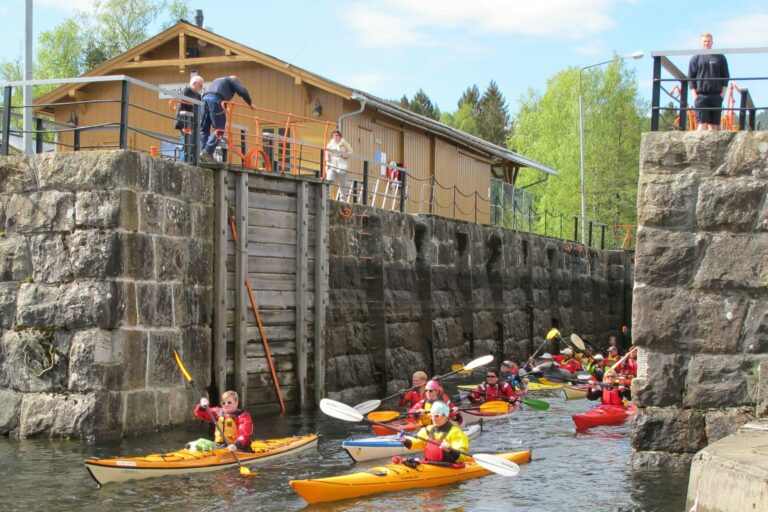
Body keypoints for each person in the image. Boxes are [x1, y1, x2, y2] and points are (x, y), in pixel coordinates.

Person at [200, 75, 256, 163]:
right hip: (215, 101)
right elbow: (242, 91)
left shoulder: (217, 80)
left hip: (204, 100)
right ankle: (207, 151)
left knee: (204, 129)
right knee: (219, 129)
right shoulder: (231, 80)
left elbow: (217, 93)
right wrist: (250, 103)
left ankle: (201, 152)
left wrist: (225, 107)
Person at [398, 401, 469, 466]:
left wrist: (450, 449)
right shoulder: (427, 430)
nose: (433, 418)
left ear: (445, 416)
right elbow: (415, 444)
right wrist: (404, 440)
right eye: (431, 416)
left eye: (436, 416)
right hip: (429, 465)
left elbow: (462, 457)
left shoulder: (456, 432)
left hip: (448, 466)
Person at [688, 32, 730, 131]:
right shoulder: (695, 58)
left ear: (712, 42)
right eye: (704, 41)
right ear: (701, 43)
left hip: (716, 95)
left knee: (713, 125)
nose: (706, 43)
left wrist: (722, 94)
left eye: (708, 41)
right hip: (701, 95)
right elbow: (690, 77)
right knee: (701, 124)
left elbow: (725, 76)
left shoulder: (720, 57)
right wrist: (694, 95)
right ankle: (698, 146)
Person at [174, 75, 204, 163]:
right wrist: (182, 125)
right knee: (186, 144)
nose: (202, 88)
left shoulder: (198, 96)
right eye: (200, 85)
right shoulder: (186, 92)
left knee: (194, 143)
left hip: (194, 123)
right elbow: (181, 108)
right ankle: (183, 163)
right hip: (186, 122)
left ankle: (193, 161)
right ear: (194, 84)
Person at [325, 130, 353, 197]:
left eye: (337, 135)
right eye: (334, 135)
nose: (335, 137)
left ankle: (342, 200)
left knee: (342, 184)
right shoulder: (329, 145)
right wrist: (328, 158)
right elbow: (326, 154)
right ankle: (326, 197)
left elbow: (351, 153)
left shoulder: (344, 144)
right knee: (329, 181)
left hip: (342, 166)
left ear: (340, 136)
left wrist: (342, 155)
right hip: (332, 165)